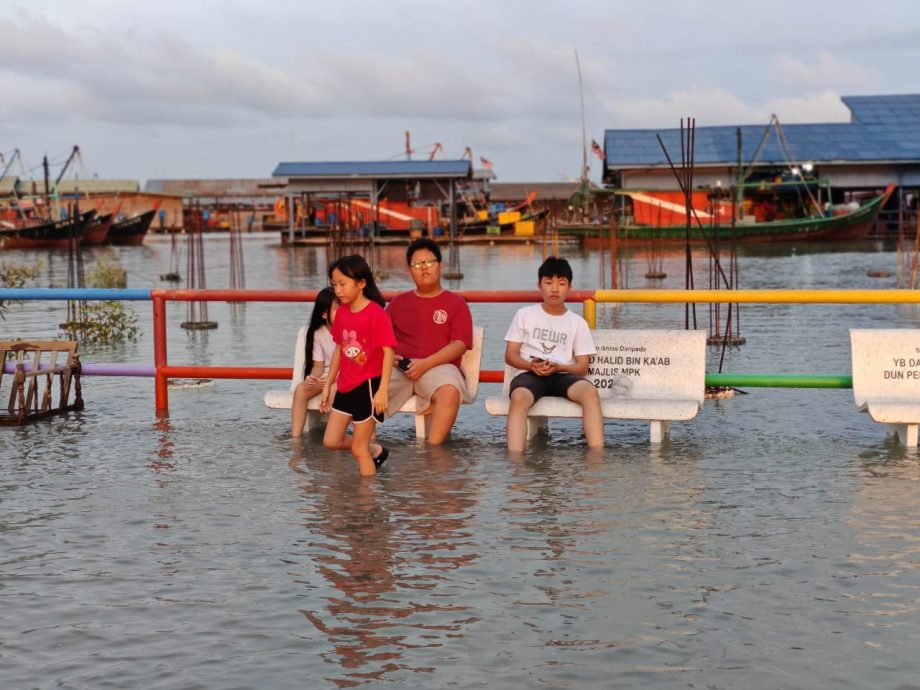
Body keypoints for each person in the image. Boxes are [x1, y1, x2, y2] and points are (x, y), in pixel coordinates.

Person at [502, 256, 604, 453]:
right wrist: (531, 366)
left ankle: (596, 457)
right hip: (529, 374)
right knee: (519, 398)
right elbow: (511, 355)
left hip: (562, 375)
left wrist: (561, 367)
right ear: (539, 286)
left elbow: (582, 367)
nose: (555, 289)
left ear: (569, 287)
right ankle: (516, 461)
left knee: (590, 393)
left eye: (561, 283)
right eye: (548, 283)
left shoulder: (577, 323)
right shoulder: (524, 315)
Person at [386, 238, 473, 444]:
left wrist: (426, 363)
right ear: (409, 271)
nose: (423, 269)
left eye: (429, 263)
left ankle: (433, 454)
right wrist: (390, 358)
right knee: (364, 386)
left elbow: (459, 344)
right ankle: (368, 449)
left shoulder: (456, 303)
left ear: (440, 266)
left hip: (439, 366)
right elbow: (381, 338)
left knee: (449, 392)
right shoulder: (398, 302)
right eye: (417, 265)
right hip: (400, 366)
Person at [320, 255, 397, 476]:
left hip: (369, 386)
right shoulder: (342, 312)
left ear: (361, 283)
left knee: (357, 449)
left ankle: (367, 503)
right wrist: (328, 385)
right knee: (331, 441)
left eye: (343, 284)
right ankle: (376, 450)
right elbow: (338, 350)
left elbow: (388, 352)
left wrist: (382, 391)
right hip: (346, 385)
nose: (338, 290)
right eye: (334, 285)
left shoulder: (375, 313)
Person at [291, 286, 338, 437]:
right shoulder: (318, 333)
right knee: (300, 389)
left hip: (342, 377)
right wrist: (313, 377)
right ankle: (296, 438)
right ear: (324, 314)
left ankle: (333, 441)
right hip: (324, 377)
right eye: (337, 309)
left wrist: (330, 381)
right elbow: (318, 365)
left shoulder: (348, 331)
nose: (343, 312)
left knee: (332, 390)